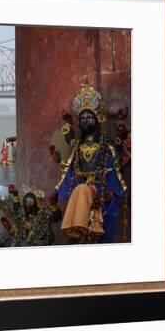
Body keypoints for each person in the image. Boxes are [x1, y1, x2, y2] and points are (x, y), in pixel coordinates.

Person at [54, 84, 128, 244]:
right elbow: (69, 172)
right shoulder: (77, 148)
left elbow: (114, 174)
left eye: (89, 118)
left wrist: (113, 192)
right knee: (80, 192)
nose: (86, 121)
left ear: (97, 119)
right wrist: (60, 192)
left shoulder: (107, 148)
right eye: (82, 119)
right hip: (80, 195)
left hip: (101, 194)